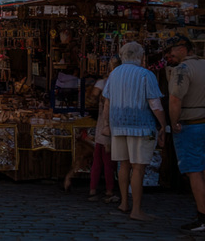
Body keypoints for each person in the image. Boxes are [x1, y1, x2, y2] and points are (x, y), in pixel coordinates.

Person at [103, 41, 166, 222]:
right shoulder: (146, 75)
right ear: (141, 56)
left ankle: (124, 203)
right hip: (141, 125)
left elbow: (107, 102)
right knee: (138, 168)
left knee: (124, 165)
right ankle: (136, 210)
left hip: (118, 124)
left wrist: (106, 124)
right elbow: (155, 104)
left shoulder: (114, 74)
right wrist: (163, 125)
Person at [164, 35, 205, 231]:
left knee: (194, 171)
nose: (168, 54)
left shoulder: (182, 69)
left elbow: (175, 100)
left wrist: (173, 123)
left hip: (191, 123)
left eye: (171, 50)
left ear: (183, 48)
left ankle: (203, 216)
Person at [84, 58, 120, 202]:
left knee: (98, 160)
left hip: (101, 125)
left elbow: (92, 98)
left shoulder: (104, 82)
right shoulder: (115, 84)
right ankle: (109, 190)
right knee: (107, 161)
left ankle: (93, 189)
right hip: (108, 125)